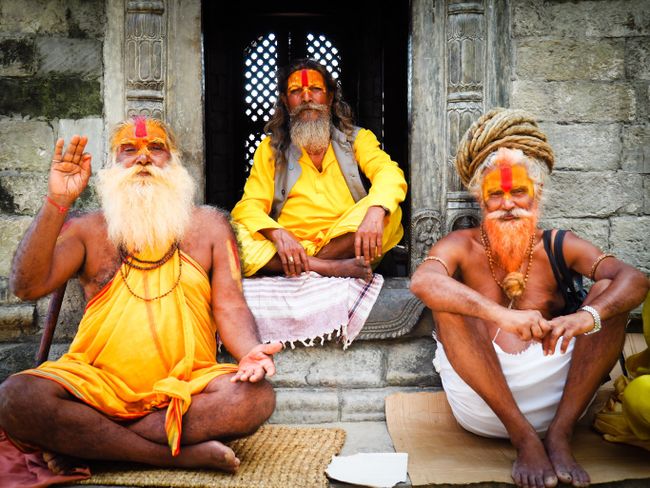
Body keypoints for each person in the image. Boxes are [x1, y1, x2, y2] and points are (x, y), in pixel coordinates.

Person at [0, 117, 283, 474]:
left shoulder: (210, 225)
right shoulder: (88, 229)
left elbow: (230, 305)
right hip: (96, 386)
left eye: (157, 149)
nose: (143, 159)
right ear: (112, 165)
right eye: (129, 150)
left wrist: (249, 353)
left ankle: (93, 446)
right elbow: (26, 286)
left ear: (175, 161)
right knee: (15, 398)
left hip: (187, 386)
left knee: (254, 399)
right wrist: (57, 201)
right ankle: (171, 455)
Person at [410, 108, 649, 488]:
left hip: (562, 399)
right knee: (448, 301)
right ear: (480, 199)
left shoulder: (558, 243)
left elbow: (633, 279)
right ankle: (524, 438)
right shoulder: (461, 245)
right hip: (484, 405)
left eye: (519, 191)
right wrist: (500, 316)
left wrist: (587, 317)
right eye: (496, 194)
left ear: (536, 195)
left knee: (608, 296)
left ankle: (558, 436)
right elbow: (423, 282)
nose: (509, 204)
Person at [231, 58, 407, 280]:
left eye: (315, 89)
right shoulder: (270, 149)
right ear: (285, 101)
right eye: (296, 91)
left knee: (390, 214)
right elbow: (249, 206)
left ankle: (307, 264)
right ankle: (329, 267)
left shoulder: (357, 140)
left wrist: (374, 211)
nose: (306, 98)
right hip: (291, 246)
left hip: (344, 240)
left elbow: (388, 173)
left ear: (330, 97)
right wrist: (277, 234)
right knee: (233, 236)